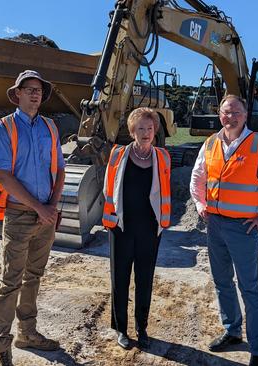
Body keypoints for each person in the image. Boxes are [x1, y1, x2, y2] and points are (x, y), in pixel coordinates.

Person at [189, 95, 258, 366]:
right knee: (222, 282)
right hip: (214, 224)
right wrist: (200, 204)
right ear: (219, 114)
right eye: (226, 112)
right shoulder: (211, 143)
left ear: (245, 115)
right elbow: (197, 177)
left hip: (244, 228)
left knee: (250, 289)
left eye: (236, 112)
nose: (230, 117)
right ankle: (232, 331)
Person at [0, 70, 66, 366]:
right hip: (20, 216)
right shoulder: (4, 128)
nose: (35, 94)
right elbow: (4, 176)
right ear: (17, 94)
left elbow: (59, 169)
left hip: (45, 213)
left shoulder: (50, 126)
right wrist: (39, 207)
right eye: (29, 89)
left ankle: (28, 333)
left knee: (33, 277)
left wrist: (53, 205)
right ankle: (2, 346)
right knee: (11, 281)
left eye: (39, 90)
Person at [102, 107, 171, 350]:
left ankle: (142, 327)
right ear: (132, 131)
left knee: (145, 280)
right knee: (119, 279)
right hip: (121, 227)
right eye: (140, 128)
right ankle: (121, 328)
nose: (145, 132)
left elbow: (162, 191)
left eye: (150, 128)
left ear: (155, 131)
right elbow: (107, 187)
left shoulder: (162, 157)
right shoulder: (117, 154)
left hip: (150, 230)